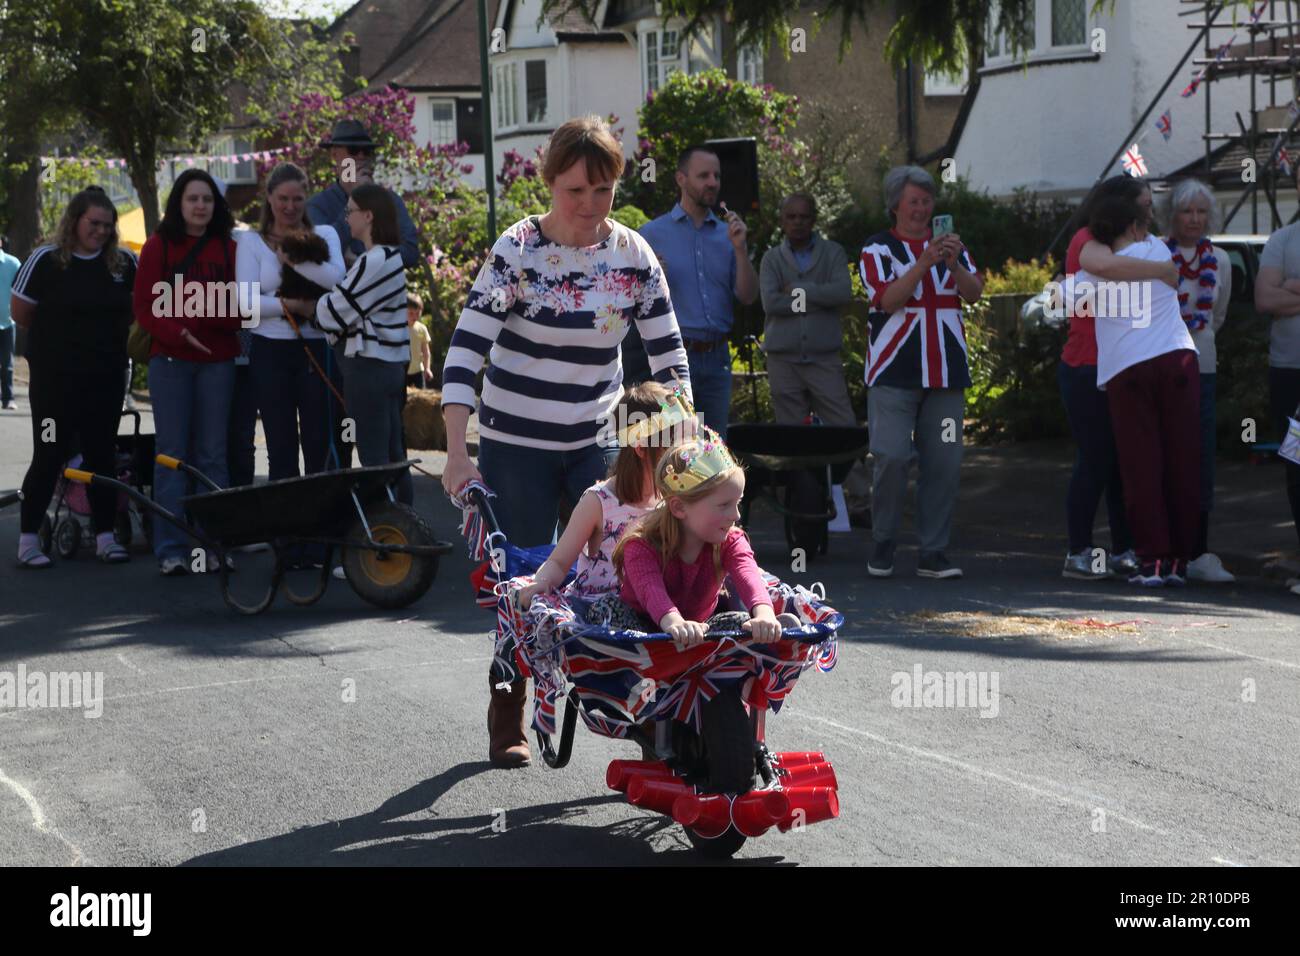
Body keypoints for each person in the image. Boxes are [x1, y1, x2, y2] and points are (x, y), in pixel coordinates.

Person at [440, 115, 691, 768]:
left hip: (596, 441)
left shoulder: (633, 257)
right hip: (515, 443)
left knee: (615, 573)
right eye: (575, 190)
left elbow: (668, 359)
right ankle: (508, 707)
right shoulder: (517, 250)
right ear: (550, 183)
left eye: (602, 190)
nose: (588, 205)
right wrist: (458, 451)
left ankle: (628, 703)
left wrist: (682, 447)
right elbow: (467, 349)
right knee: (520, 577)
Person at [858, 165, 983, 579]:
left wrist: (953, 264)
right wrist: (924, 263)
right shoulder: (877, 249)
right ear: (895, 205)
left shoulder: (953, 247)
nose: (921, 208)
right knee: (891, 456)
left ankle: (933, 550)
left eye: (927, 201)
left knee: (944, 462)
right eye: (914, 201)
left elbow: (975, 292)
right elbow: (888, 300)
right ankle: (885, 540)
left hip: (946, 373)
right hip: (894, 372)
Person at [1076, 182, 1200, 586]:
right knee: (1181, 462)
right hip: (1178, 357)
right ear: (1134, 223)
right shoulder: (1160, 252)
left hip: (1129, 368)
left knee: (1141, 466)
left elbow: (1065, 300)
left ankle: (1153, 561)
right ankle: (1181, 560)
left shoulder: (1097, 270)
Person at [10, 187, 137, 568]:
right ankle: (29, 540)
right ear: (75, 220)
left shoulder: (124, 264)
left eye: (106, 225)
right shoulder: (46, 260)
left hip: (105, 380)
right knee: (48, 453)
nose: (100, 231)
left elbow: (134, 312)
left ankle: (104, 537)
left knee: (101, 455)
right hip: (54, 386)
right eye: (93, 223)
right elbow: (21, 312)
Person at [1057, 176, 1175, 581]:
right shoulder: (1088, 239)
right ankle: (1079, 552)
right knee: (1096, 458)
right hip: (1087, 365)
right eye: (1142, 204)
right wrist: (1162, 267)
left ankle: (1125, 549)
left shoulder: (1138, 239)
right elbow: (1103, 265)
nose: (1148, 212)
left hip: (1128, 364)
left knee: (1126, 461)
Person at [133, 169, 242, 574]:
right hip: (171, 363)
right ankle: (172, 549)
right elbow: (144, 308)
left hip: (217, 363)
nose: (200, 206)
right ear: (178, 203)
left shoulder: (230, 250)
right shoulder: (158, 246)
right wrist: (180, 332)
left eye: (207, 200)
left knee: (213, 456)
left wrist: (204, 318)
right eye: (193, 198)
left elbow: (241, 307)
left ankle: (212, 545)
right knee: (172, 455)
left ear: (216, 207)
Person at [608, 429, 795, 648]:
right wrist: (675, 622)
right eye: (724, 505)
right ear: (678, 507)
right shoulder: (641, 546)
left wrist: (764, 614)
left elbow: (748, 575)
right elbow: (652, 593)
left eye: (738, 502)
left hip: (699, 630)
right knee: (608, 610)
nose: (736, 515)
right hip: (643, 630)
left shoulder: (730, 539)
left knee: (744, 625)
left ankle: (768, 648)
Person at [515, 381, 677, 611]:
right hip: (599, 613)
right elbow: (559, 562)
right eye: (670, 445)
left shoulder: (674, 499)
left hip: (656, 609)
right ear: (641, 448)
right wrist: (541, 583)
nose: (679, 454)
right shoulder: (599, 501)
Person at [759, 191, 869, 517]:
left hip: (823, 357)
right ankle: (801, 503)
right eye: (791, 217)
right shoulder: (771, 259)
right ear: (782, 221)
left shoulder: (832, 252)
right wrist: (815, 296)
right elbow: (771, 303)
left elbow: (842, 293)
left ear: (814, 219)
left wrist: (797, 291)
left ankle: (861, 501)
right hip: (783, 357)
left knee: (844, 429)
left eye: (803, 217)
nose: (797, 223)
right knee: (792, 436)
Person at [302, 182, 413, 505]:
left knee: (375, 457)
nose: (346, 218)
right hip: (389, 367)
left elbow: (335, 311)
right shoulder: (388, 259)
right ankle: (405, 523)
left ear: (368, 216)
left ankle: (387, 532)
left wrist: (310, 307)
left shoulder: (374, 261)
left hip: (369, 368)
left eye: (350, 212)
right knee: (393, 454)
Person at [236, 163, 346, 487]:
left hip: (317, 346)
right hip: (269, 351)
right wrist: (293, 307)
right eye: (283, 198)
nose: (290, 207)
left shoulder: (325, 234)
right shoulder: (251, 242)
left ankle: (322, 531)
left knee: (318, 444)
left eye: (298, 199)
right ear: (269, 198)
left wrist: (293, 259)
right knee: (280, 447)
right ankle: (287, 533)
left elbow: (337, 280)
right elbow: (246, 304)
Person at [639, 145, 759, 437]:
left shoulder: (727, 234)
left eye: (716, 176)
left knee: (714, 453)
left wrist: (741, 251)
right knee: (671, 450)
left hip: (717, 359)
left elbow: (748, 296)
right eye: (703, 175)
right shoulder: (650, 235)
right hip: (671, 358)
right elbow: (631, 305)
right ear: (681, 179)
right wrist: (652, 283)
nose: (712, 183)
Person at [1164, 180, 1234, 583]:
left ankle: (1198, 551)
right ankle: (1165, 548)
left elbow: (1217, 316)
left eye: (1201, 212)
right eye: (1186, 211)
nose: (1194, 219)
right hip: (1163, 362)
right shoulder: (1158, 254)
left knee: (1201, 455)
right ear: (1170, 216)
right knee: (1166, 453)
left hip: (1202, 364)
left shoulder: (1219, 259)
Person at [1253, 162, 1300, 591]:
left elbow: (1279, 293)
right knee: (1297, 465)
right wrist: (1282, 290)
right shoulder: (1282, 240)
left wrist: (1293, 287)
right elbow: (1264, 298)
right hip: (1289, 370)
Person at [306, 119, 420, 269]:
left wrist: (363, 261)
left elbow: (411, 254)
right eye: (353, 150)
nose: (361, 156)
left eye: (366, 151)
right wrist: (356, 199)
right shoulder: (318, 205)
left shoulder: (391, 201)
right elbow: (320, 253)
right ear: (334, 154)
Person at [0, 234, 20, 409]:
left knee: (7, 363)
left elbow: (22, 287)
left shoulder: (13, 263)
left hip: (7, 321)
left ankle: (8, 398)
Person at [405, 293, 432, 389]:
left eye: (417, 313)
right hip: (402, 372)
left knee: (420, 399)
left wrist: (427, 368)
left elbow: (426, 352)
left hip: (418, 371)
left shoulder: (422, 329)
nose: (415, 317)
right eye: (411, 313)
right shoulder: (399, 328)